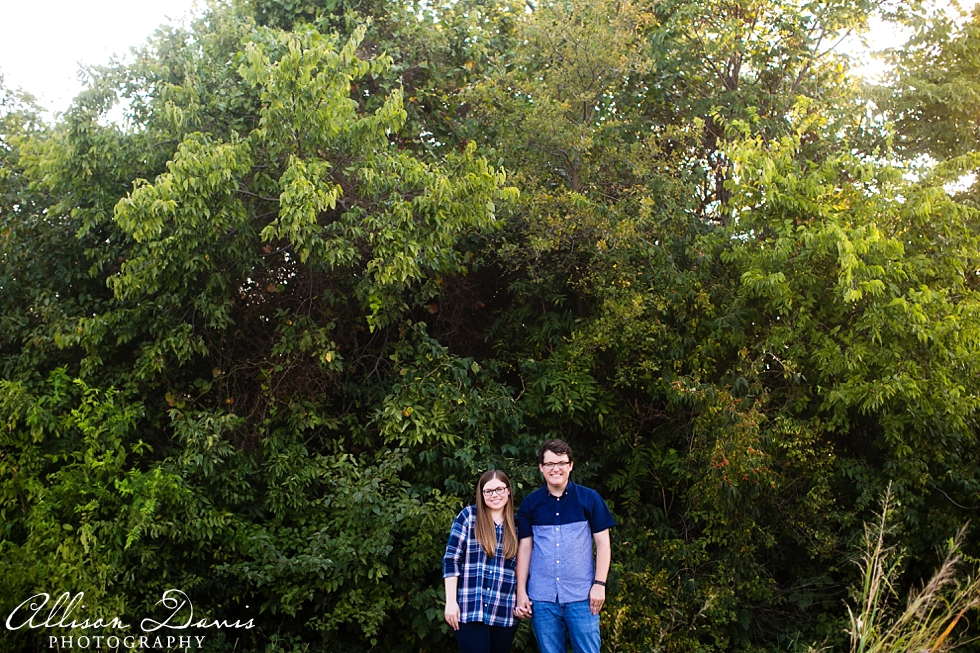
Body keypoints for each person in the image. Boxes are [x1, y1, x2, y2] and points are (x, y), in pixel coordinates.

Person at [514, 439, 615, 653]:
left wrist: (600, 583)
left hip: (583, 596)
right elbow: (524, 549)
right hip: (542, 598)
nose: (555, 469)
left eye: (561, 463)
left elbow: (603, 544)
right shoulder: (530, 504)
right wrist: (521, 591)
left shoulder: (590, 498)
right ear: (541, 468)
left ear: (570, 465)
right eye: (550, 464)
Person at [443, 470, 520, 653]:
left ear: (508, 491)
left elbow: (523, 568)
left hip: (504, 610)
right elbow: (451, 559)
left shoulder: (518, 526)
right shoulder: (468, 517)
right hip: (470, 609)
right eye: (488, 491)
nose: (495, 495)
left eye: (499, 489)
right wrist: (451, 602)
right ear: (481, 494)